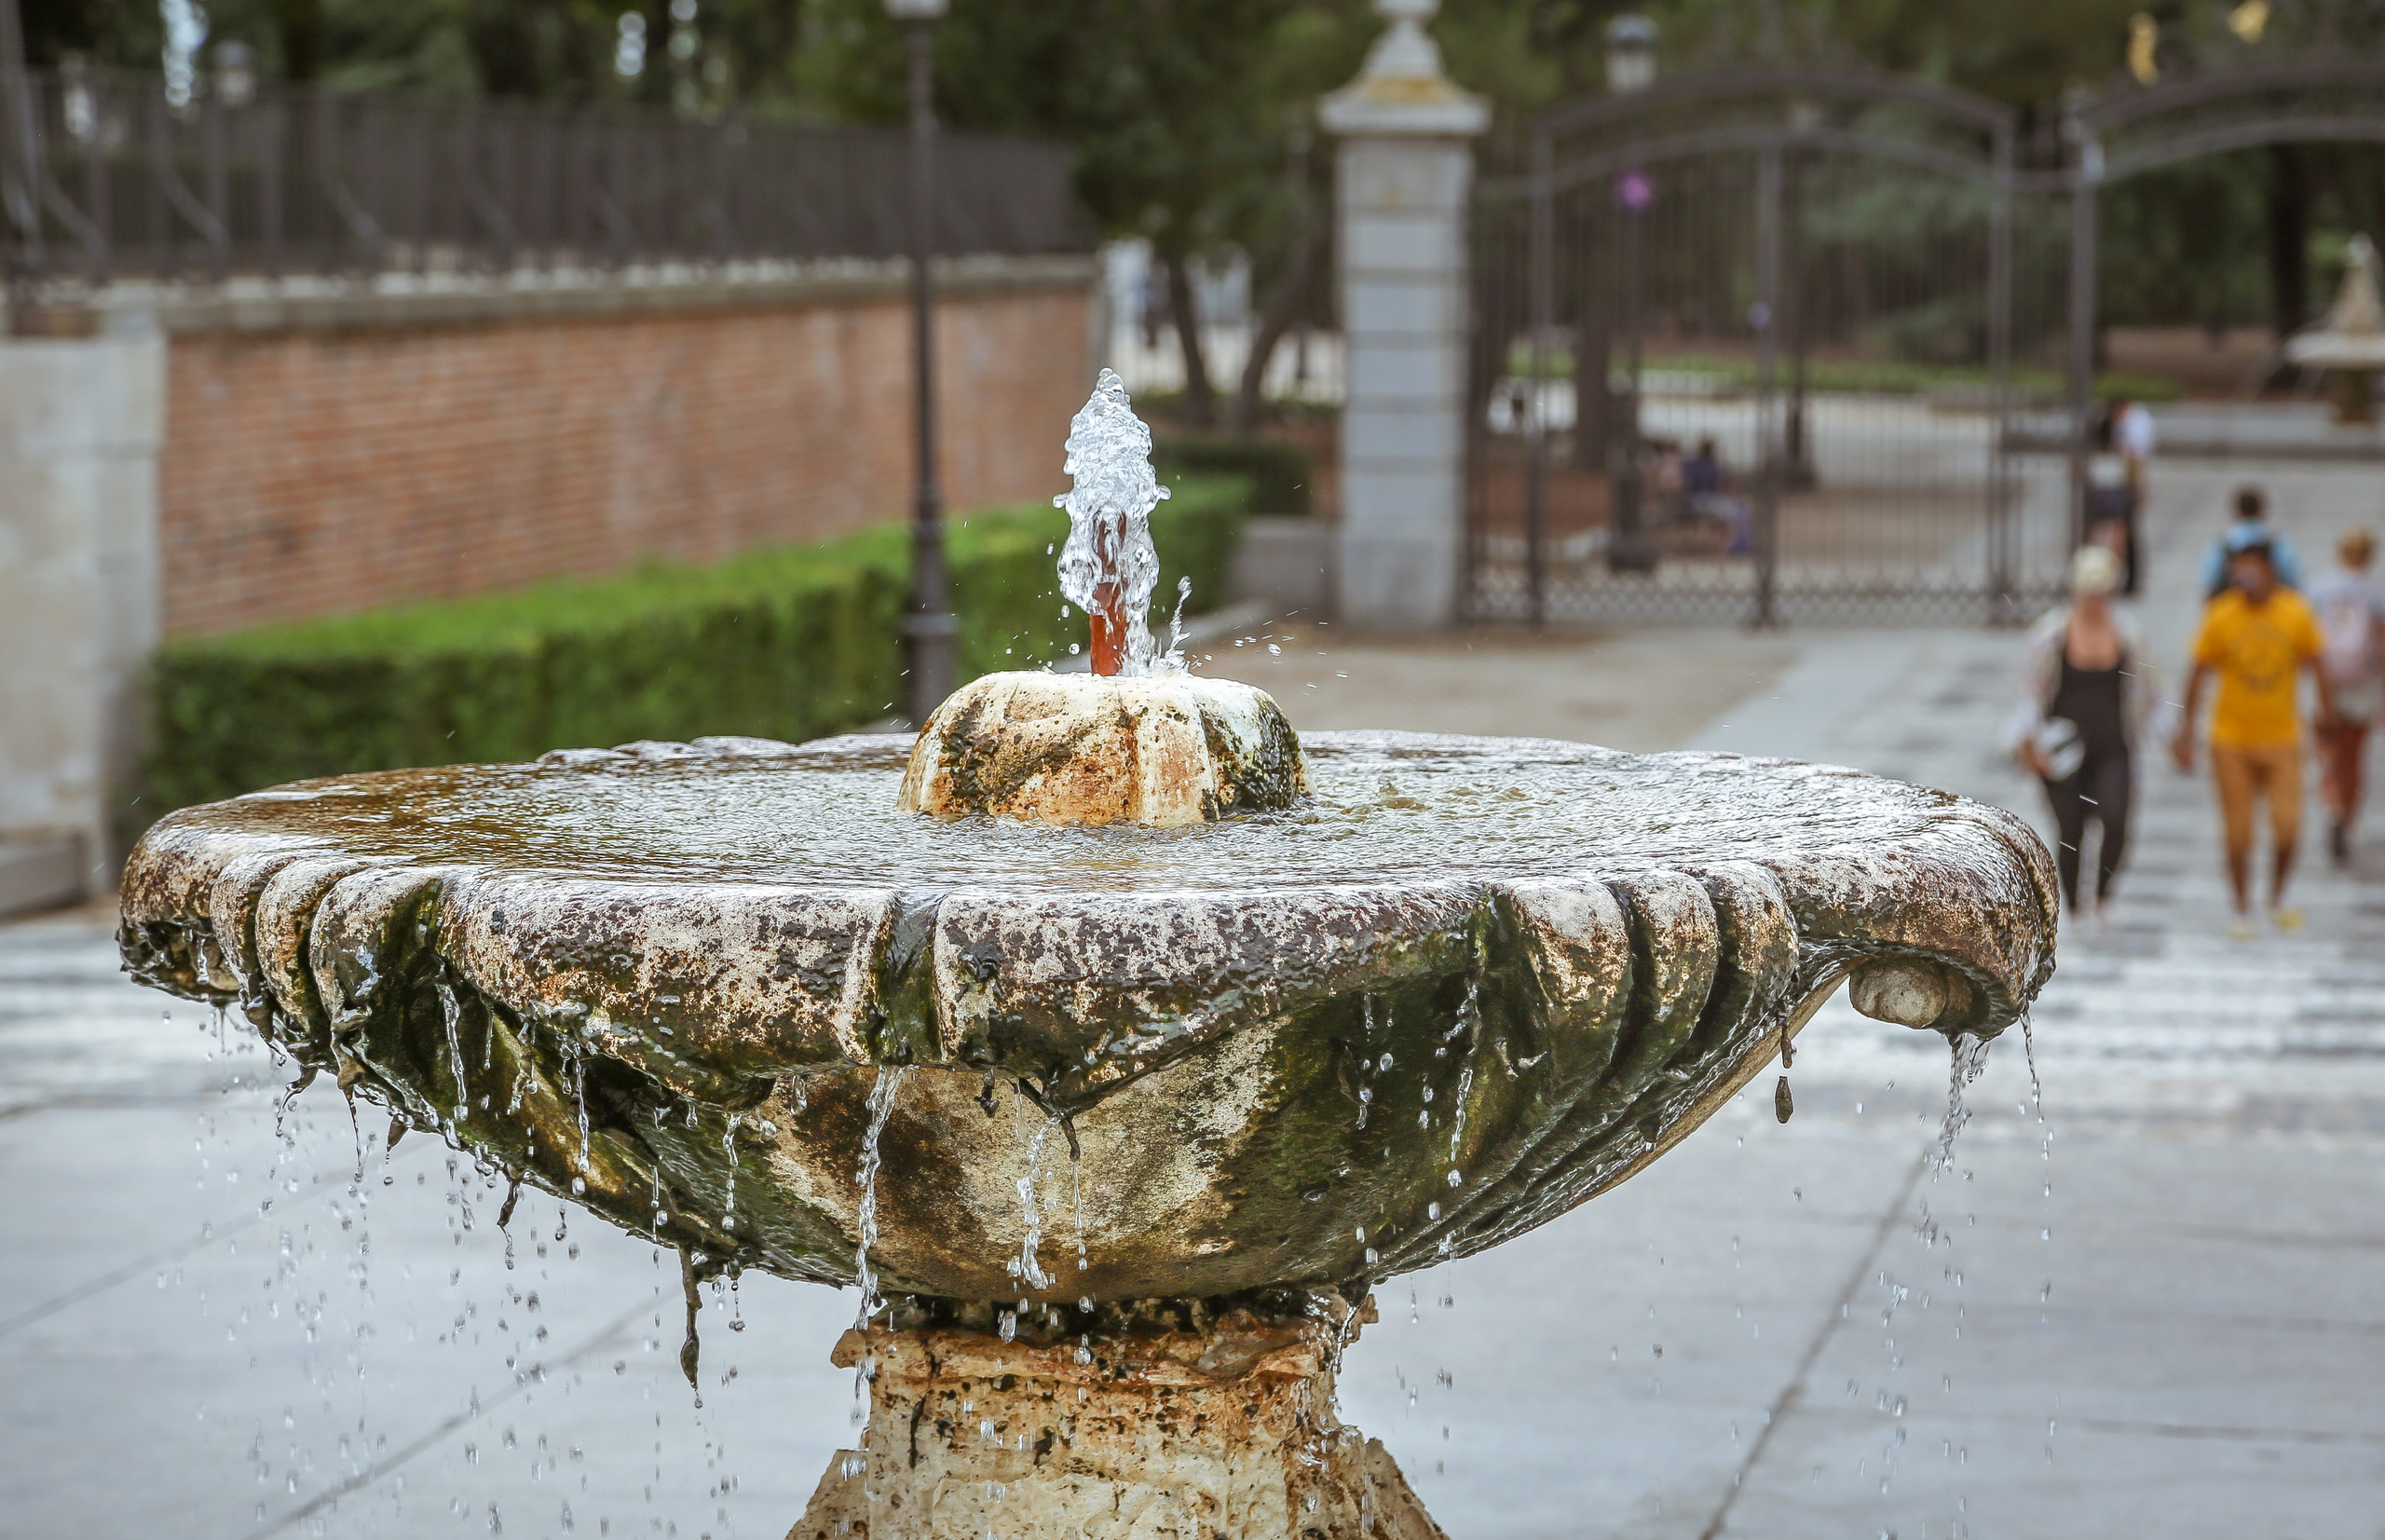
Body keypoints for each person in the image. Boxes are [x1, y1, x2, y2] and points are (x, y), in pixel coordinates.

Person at [2174, 539, 2335, 935]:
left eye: (2251, 569)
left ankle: (2278, 895)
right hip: (2230, 740)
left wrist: (2327, 721)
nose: (2244, 578)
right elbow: (2197, 674)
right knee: (2238, 832)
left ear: (2270, 570)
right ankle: (2241, 907)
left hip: (2283, 739)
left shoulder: (2295, 612)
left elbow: (2318, 665)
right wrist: (2185, 732)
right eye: (2238, 571)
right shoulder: (2221, 613)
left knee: (2288, 826)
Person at [2008, 544, 2164, 922]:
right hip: (2062, 751)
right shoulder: (2051, 636)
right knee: (2071, 828)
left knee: (2116, 819)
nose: (2097, 601)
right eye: (2090, 594)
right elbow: (2030, 696)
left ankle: (2103, 895)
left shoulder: (2129, 635)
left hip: (2112, 745)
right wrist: (2027, 747)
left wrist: (2172, 735)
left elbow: (2148, 694)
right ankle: (2075, 905)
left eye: (2103, 593)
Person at [2311, 527, 2385, 863]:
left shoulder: (2319, 588)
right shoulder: (2374, 594)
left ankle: (2332, 807)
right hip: (2362, 681)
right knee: (2355, 757)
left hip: (2326, 680)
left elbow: (2307, 642)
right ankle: (2348, 819)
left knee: (2328, 752)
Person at [2200, 484, 2304, 596]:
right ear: (2261, 510)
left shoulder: (2220, 545)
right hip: (2271, 608)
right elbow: (2293, 584)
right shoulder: (2280, 544)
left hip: (2232, 608)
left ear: (2237, 510)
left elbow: (2211, 585)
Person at [2081, 408, 2139, 594]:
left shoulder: (2090, 451)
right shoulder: (2120, 448)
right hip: (2116, 493)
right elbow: (2131, 469)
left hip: (2097, 492)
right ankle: (2111, 576)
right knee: (2117, 541)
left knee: (2094, 539)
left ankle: (2093, 574)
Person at [1681, 437, 1752, 555]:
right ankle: (1730, 545)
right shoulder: (1713, 466)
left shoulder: (1692, 464)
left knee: (1732, 510)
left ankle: (1730, 543)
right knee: (1734, 511)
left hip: (1695, 501)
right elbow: (1723, 486)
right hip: (1707, 501)